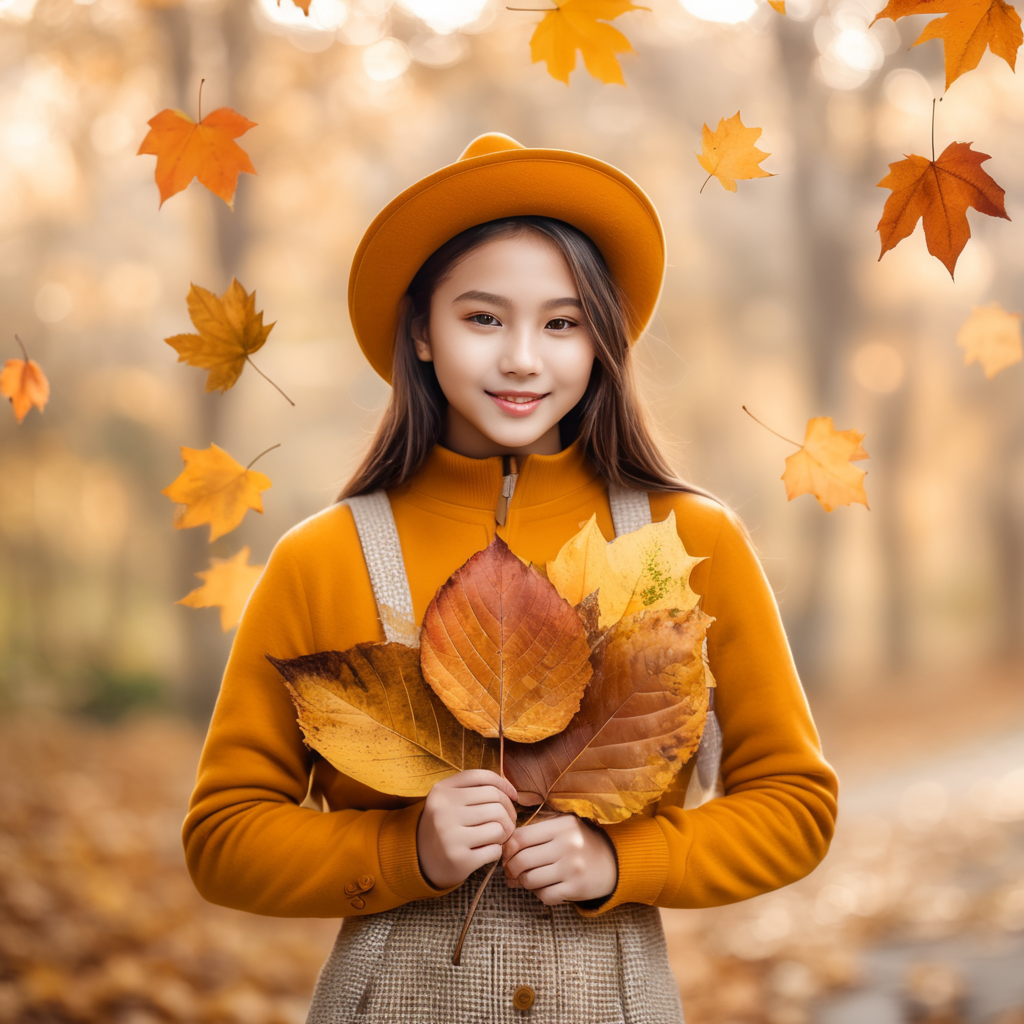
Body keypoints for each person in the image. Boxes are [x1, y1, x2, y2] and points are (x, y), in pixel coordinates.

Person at [182, 133, 839, 1024]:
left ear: (600, 339)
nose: (524, 358)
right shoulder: (321, 557)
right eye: (483, 318)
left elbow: (794, 806)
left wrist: (624, 861)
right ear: (420, 329)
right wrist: (404, 843)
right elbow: (222, 840)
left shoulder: (692, 540)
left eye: (561, 323)